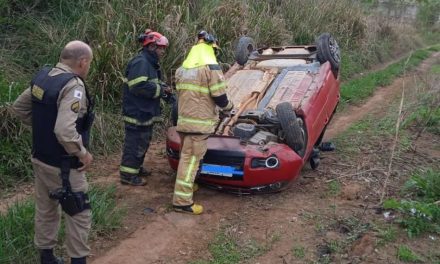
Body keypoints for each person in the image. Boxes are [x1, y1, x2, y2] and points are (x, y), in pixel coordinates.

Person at [12, 40, 94, 264]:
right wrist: (82, 153)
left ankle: (46, 257)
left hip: (40, 158)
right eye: (89, 64)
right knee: (78, 212)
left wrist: (45, 130)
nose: (88, 68)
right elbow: (65, 131)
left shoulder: (44, 77)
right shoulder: (73, 85)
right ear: (82, 62)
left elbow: (19, 108)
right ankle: (78, 260)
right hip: (64, 165)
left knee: (46, 208)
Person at [172, 31, 233, 215]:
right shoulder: (211, 68)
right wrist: (230, 108)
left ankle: (188, 187)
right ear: (212, 48)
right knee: (190, 162)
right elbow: (219, 96)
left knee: (187, 158)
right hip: (199, 125)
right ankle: (182, 202)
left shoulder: (183, 69)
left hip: (184, 122)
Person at [119, 29, 171, 186]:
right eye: (160, 48)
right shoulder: (141, 62)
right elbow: (139, 86)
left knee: (143, 142)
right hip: (136, 113)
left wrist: (163, 88)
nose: (163, 51)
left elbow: (150, 83)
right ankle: (128, 175)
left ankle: (136, 167)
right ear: (151, 47)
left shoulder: (149, 63)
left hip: (144, 112)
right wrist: (161, 90)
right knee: (134, 144)